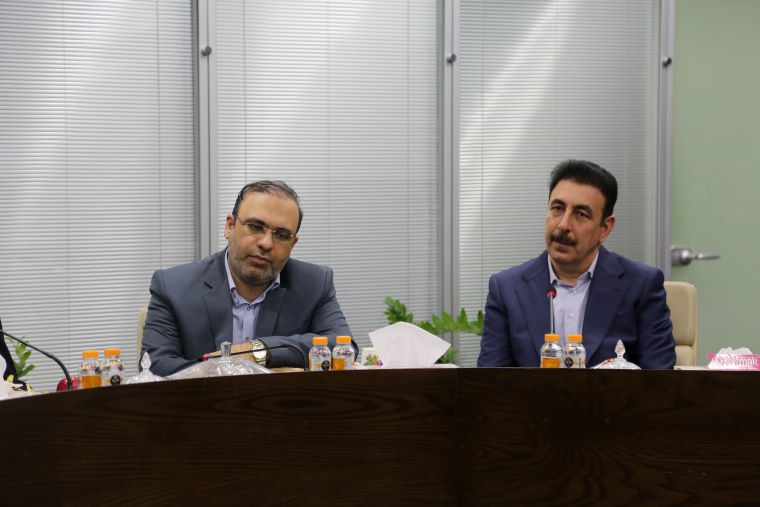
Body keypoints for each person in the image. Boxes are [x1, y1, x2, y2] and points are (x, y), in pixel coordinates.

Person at [477, 160, 675, 369]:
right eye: (557, 209)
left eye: (581, 214)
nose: (563, 225)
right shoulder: (507, 288)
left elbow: (660, 379)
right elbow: (490, 381)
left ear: (605, 228)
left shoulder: (641, 285)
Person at [142, 180, 353, 376]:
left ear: (293, 243)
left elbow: (343, 347)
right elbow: (156, 367)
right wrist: (229, 367)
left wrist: (258, 351)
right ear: (230, 226)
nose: (266, 243)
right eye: (255, 227)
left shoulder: (315, 283)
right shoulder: (173, 286)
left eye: (281, 235)